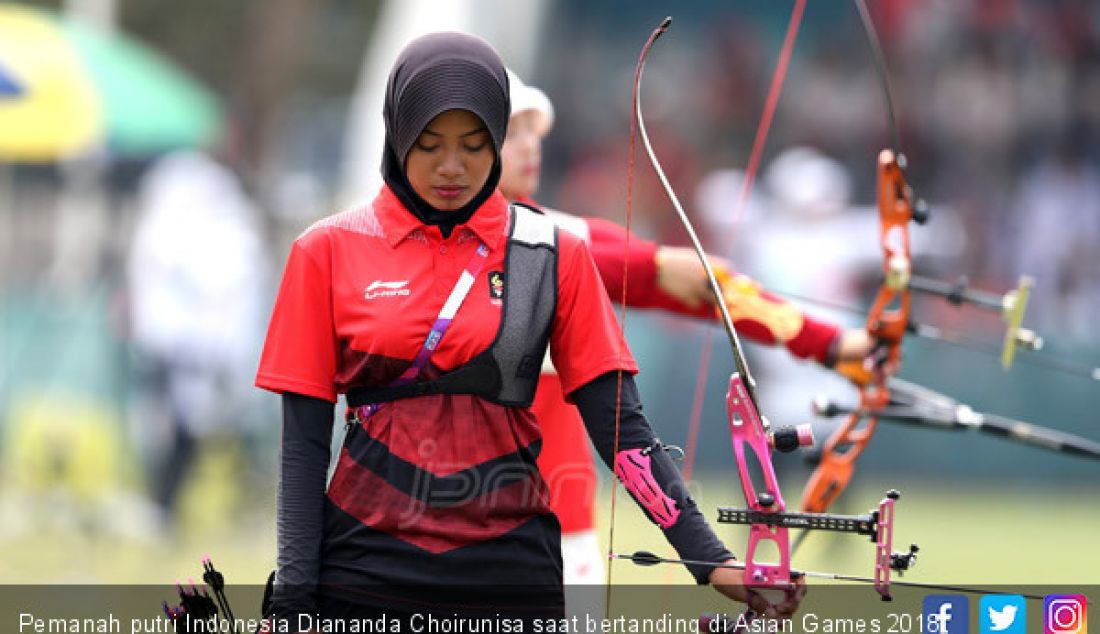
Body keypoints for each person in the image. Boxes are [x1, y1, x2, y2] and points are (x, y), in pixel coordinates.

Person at [256, 32, 804, 629]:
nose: (450, 167)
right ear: (396, 134)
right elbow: (303, 446)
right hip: (364, 568)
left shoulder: (552, 253)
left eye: (473, 144)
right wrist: (291, 601)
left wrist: (711, 559)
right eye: (429, 143)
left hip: (512, 570)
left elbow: (621, 427)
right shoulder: (326, 250)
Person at [499, 70, 873, 587]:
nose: (529, 147)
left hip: (558, 532)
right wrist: (827, 343)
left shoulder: (558, 237)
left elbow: (693, 280)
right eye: (509, 131)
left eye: (532, 132)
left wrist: (828, 343)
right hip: (450, 536)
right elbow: (688, 278)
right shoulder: (543, 241)